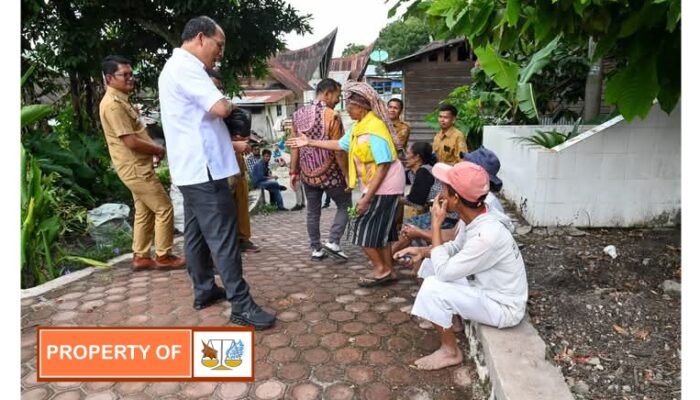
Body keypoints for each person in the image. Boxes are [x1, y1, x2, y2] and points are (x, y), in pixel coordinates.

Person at [158, 15, 275, 329]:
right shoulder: (187, 66)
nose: (220, 53)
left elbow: (199, 123)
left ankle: (205, 290)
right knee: (224, 238)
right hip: (204, 171)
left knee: (195, 235)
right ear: (200, 38)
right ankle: (242, 305)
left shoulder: (175, 68)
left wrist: (233, 145)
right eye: (218, 45)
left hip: (191, 170)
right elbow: (219, 109)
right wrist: (233, 106)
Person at [394, 161, 527, 370]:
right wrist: (421, 252)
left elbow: (444, 272)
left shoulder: (487, 235)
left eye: (445, 189)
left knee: (432, 287)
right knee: (428, 265)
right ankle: (451, 322)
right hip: (483, 286)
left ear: (455, 198)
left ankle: (450, 352)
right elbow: (454, 247)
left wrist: (436, 223)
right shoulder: (475, 217)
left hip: (503, 307)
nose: (440, 193)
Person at [288, 81, 405, 287]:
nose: (346, 110)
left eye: (349, 106)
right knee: (382, 232)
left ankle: (381, 270)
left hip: (385, 185)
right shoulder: (360, 126)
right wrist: (310, 142)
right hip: (377, 185)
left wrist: (366, 198)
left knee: (361, 229)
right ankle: (388, 270)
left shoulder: (374, 128)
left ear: (361, 107)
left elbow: (384, 166)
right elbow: (340, 144)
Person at [98, 55, 186, 270]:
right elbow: (130, 141)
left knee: (144, 210)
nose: (131, 79)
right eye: (124, 75)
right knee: (164, 208)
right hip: (134, 168)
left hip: (138, 165)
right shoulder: (112, 105)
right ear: (110, 78)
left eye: (131, 74)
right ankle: (164, 256)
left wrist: (152, 151)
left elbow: (136, 134)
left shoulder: (120, 101)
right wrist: (158, 149)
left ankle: (141, 256)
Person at [290, 78, 351, 261]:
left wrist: (294, 172)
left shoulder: (297, 115)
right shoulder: (332, 115)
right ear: (327, 93)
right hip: (331, 173)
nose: (337, 100)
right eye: (337, 96)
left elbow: (294, 146)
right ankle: (333, 241)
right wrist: (347, 174)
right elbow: (339, 150)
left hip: (308, 173)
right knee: (345, 205)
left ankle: (316, 249)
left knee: (312, 211)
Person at [400, 146, 506, 250]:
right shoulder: (474, 204)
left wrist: (433, 225)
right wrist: (422, 252)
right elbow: (455, 239)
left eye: (464, 165)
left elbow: (447, 259)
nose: (441, 194)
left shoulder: (483, 214)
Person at [206, 68, 260, 253]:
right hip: (217, 162)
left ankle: (242, 238)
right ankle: (224, 243)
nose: (217, 92)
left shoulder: (224, 106)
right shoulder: (200, 109)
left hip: (234, 158)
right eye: (214, 87)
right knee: (221, 204)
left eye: (219, 88)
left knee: (241, 195)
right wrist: (234, 145)